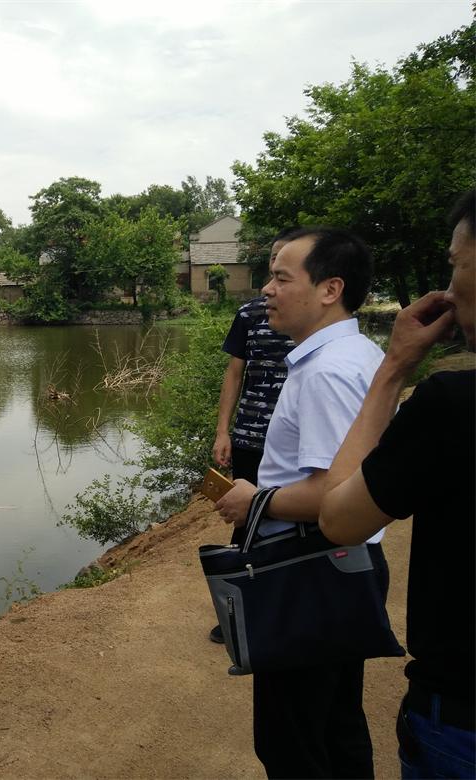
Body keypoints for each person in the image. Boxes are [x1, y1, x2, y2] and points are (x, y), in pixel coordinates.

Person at [215, 226, 387, 778]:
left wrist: (255, 500)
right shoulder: (356, 353)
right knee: (336, 726)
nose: (267, 290)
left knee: (292, 743)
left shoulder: (327, 373)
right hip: (342, 566)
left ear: (330, 289)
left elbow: (337, 495)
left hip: (311, 570)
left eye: (281, 278)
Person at [320, 190, 475, 778]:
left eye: (456, 264)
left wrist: (393, 370)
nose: (451, 288)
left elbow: (340, 518)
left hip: (461, 719)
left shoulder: (453, 407)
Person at [208, 230, 294, 643]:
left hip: (292, 440)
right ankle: (238, 610)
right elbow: (234, 374)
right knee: (245, 522)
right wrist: (223, 431)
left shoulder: (313, 320)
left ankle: (282, 606)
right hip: (250, 436)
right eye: (274, 259)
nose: (276, 266)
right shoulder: (249, 314)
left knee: (288, 523)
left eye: (285, 260)